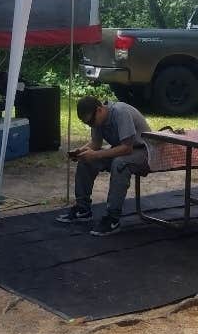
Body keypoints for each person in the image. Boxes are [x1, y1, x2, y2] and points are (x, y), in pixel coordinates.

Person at [56, 95, 150, 236]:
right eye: (87, 124)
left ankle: (113, 218)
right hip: (122, 150)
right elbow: (96, 143)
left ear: (99, 110)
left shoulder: (120, 112)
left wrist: (96, 154)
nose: (91, 125)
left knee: (120, 164)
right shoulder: (97, 120)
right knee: (86, 159)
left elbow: (127, 148)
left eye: (91, 122)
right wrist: (80, 151)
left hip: (143, 151)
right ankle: (83, 209)